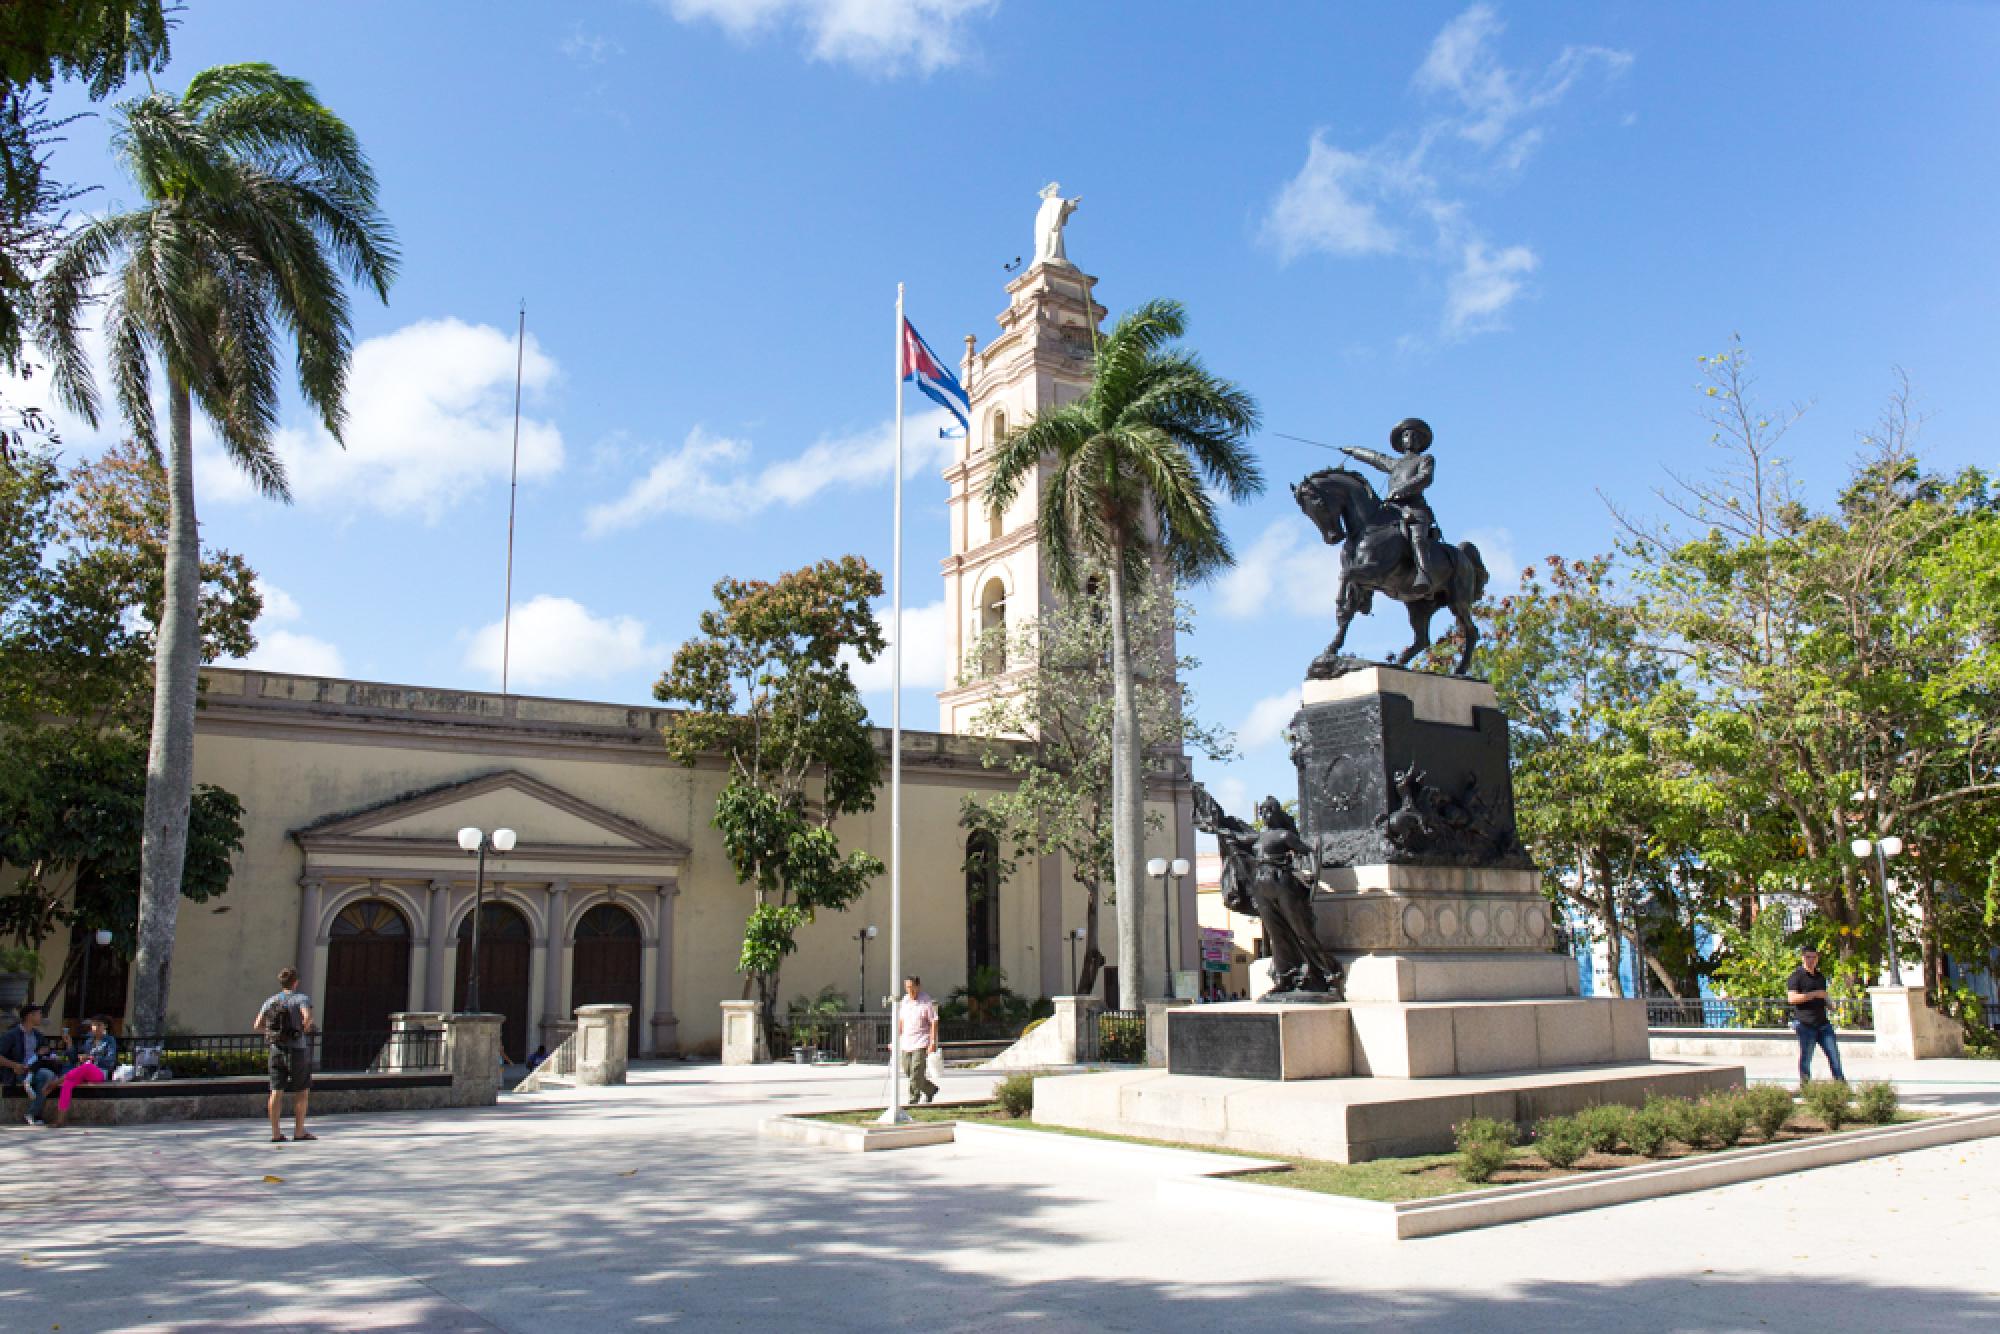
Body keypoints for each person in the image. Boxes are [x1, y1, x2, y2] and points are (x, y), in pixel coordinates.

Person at [1339, 417, 1444, 597]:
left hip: (1414, 509)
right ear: (1401, 441)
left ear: (1420, 442)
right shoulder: (1395, 464)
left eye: (1415, 436)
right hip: (1393, 510)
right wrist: (1353, 450)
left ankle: (1423, 575)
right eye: (1406, 435)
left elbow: (1425, 478)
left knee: (1417, 537)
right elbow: (1375, 458)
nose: (1410, 438)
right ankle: (1364, 592)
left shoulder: (1425, 459)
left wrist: (1401, 490)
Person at [253, 967, 316, 1143]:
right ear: (295, 982)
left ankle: (275, 1133)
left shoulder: (271, 1001)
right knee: (301, 1090)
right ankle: (299, 1131)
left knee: (275, 1091)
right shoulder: (301, 999)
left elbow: (257, 1024)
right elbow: (308, 1017)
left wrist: (275, 1034)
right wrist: (302, 1029)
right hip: (297, 1050)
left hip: (276, 1050)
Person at [1786, 946, 1846, 1084]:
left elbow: (1823, 996)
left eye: (1814, 957)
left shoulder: (1820, 977)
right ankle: (1806, 1086)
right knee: (1806, 1057)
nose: (1811, 960)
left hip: (1823, 1023)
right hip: (1806, 1024)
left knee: (1834, 1055)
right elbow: (1792, 998)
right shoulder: (1796, 976)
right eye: (1808, 957)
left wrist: (1830, 1004)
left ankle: (1841, 1084)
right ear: (1802, 958)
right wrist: (1813, 995)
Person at [47, 1016, 117, 1129]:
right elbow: (74, 1058)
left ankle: (54, 1084)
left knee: (87, 1066)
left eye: (99, 1025)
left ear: (105, 1026)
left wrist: (91, 1058)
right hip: (83, 1070)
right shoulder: (88, 1041)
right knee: (67, 1084)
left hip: (99, 1071)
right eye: (94, 1025)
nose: (96, 1028)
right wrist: (69, 1044)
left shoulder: (109, 1041)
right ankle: (60, 1120)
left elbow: (110, 1060)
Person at [1, 1003, 60, 1125]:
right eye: (39, 1014)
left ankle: (32, 1113)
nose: (41, 1017)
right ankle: (28, 1085)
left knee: (48, 1075)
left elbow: (45, 1050)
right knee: (44, 1078)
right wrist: (14, 1065)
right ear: (30, 1016)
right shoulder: (11, 1035)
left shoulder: (37, 1035)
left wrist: (45, 1051)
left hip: (34, 1067)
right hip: (16, 1070)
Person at [894, 976, 939, 1106]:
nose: (910, 990)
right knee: (908, 1070)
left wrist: (932, 1042)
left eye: (912, 987)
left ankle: (913, 1099)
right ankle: (930, 1089)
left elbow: (934, 1021)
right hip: (907, 1042)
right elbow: (901, 1021)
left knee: (916, 1070)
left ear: (918, 986)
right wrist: (896, 1038)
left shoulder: (925, 1001)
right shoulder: (905, 1001)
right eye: (907, 987)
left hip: (921, 1041)